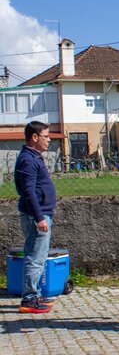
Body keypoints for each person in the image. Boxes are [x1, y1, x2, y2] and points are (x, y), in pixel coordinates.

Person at [14, 121, 57, 314]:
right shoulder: (28, 160)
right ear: (34, 137)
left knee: (38, 255)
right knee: (35, 257)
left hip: (41, 213)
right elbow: (28, 192)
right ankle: (30, 298)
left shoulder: (33, 157)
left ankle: (35, 294)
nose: (49, 140)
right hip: (36, 216)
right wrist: (39, 217)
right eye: (45, 136)